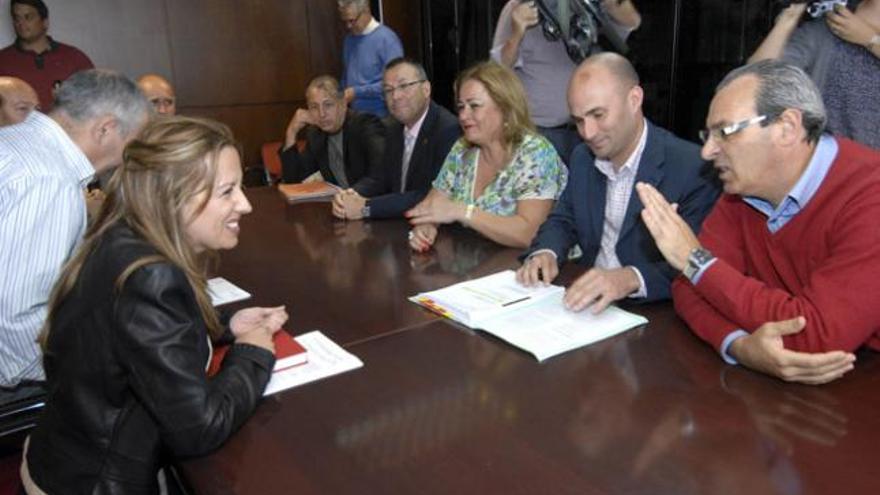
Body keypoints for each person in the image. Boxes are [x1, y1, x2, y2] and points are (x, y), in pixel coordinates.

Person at [21, 116, 287, 494]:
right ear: (173, 196)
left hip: (60, 456)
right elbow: (199, 428)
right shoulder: (151, 276)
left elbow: (136, 340)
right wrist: (252, 353)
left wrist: (227, 325)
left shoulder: (121, 238)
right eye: (227, 191)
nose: (244, 205)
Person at [637, 60, 880, 385]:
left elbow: (817, 336)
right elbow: (687, 290)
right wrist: (738, 345)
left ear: (787, 128)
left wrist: (696, 261)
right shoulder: (742, 192)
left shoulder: (869, 193)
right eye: (707, 135)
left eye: (724, 132)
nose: (707, 151)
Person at [516, 53, 719, 314]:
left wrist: (631, 278)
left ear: (634, 100)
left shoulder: (691, 168)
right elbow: (563, 218)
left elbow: (699, 263)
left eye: (598, 115)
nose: (588, 133)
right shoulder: (582, 157)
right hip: (585, 304)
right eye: (578, 120)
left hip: (654, 314)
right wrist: (547, 252)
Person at [0, 69, 150, 391]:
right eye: (134, 139)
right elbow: (15, 317)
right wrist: (78, 374)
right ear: (106, 129)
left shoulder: (16, 141)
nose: (133, 152)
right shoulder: (49, 180)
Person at [406, 61, 568, 250]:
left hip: (531, 268)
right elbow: (433, 204)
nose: (463, 116)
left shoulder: (535, 152)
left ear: (506, 108)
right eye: (461, 107)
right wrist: (427, 226)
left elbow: (530, 233)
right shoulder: (462, 149)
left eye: (474, 106)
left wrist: (462, 211)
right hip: (475, 262)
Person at [491, 0, 641, 162]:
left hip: (586, 131)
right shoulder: (518, 6)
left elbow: (632, 23)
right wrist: (516, 33)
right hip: (537, 132)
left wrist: (612, 4)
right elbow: (497, 70)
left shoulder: (585, 6)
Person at [332, 57, 460, 220]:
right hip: (397, 227)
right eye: (388, 90)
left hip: (435, 231)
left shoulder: (448, 129)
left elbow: (428, 195)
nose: (396, 96)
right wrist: (350, 195)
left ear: (426, 89)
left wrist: (366, 208)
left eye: (404, 86)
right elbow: (381, 178)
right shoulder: (393, 127)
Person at [749, 0, 880, 149]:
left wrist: (871, 40)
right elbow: (755, 79)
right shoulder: (829, 29)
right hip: (834, 163)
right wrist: (790, 15)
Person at [280, 75, 386, 195]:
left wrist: (347, 197)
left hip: (372, 206)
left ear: (343, 104)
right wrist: (291, 132)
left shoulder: (365, 125)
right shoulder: (316, 134)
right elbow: (294, 181)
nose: (322, 114)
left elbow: (380, 174)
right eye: (314, 107)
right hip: (341, 207)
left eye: (328, 105)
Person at [0, 0, 94, 111]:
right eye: (16, 18)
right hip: (18, 128)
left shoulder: (74, 58)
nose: (21, 23)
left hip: (66, 127)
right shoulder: (3, 60)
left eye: (28, 17)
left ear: (45, 22)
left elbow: (95, 101)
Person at [337, 0, 404, 117]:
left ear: (366, 10)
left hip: (382, 118)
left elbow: (395, 83)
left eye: (352, 20)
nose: (348, 26)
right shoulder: (349, 40)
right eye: (345, 21)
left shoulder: (387, 39)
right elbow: (346, 77)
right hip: (355, 116)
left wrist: (356, 92)